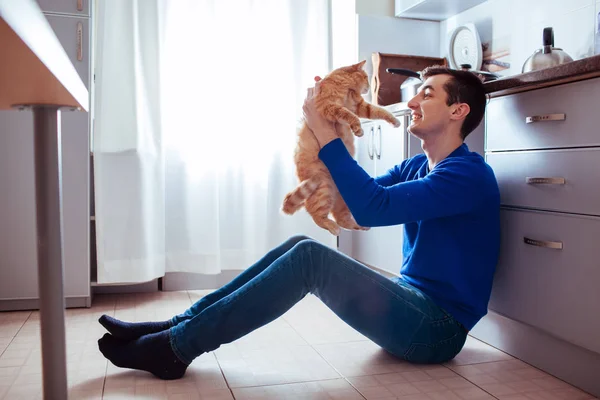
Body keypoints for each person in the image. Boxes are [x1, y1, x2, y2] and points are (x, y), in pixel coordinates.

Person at [97, 66, 500, 381]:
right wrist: (326, 127)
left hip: (436, 330)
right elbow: (352, 202)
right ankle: (179, 325)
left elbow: (372, 209)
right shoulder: (417, 165)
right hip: (408, 303)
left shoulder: (467, 176)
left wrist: (328, 138)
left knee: (310, 258)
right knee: (297, 247)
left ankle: (174, 350)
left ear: (458, 110)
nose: (412, 103)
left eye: (426, 95)